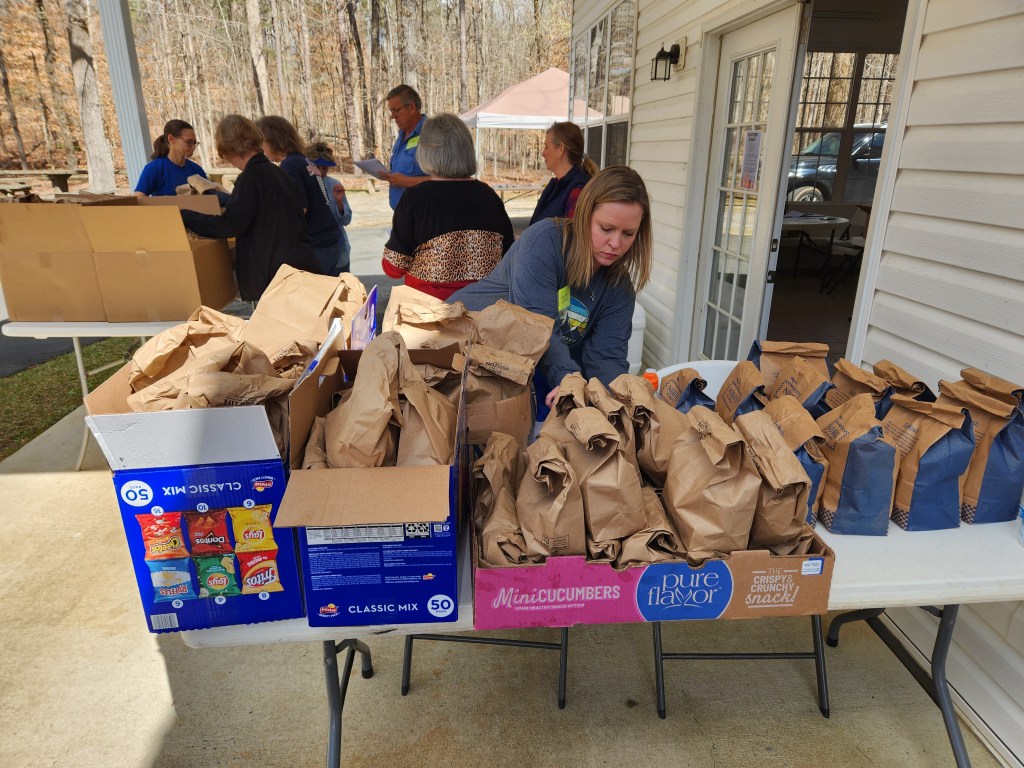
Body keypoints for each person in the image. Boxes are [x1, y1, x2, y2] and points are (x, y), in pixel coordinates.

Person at [450, 166, 652, 408]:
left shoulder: (620, 286)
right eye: (606, 229)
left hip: (531, 368)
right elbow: (539, 324)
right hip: (466, 349)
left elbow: (606, 357)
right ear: (584, 215)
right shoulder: (544, 241)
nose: (615, 243)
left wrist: (622, 398)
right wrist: (568, 379)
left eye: (628, 233)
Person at [179, 115, 320, 302]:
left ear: (228, 149)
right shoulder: (277, 172)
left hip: (277, 273)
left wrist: (186, 216)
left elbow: (230, 224)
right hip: (297, 265)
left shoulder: (252, 177)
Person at [382, 113, 514, 300]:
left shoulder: (415, 199)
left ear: (426, 151)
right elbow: (508, 256)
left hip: (429, 315)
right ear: (466, 150)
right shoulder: (489, 196)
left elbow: (393, 267)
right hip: (483, 313)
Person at [256, 115, 344, 276]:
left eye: (262, 144)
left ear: (273, 140)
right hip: (330, 240)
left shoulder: (289, 165)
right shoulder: (303, 160)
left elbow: (298, 210)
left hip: (317, 243)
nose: (262, 149)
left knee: (313, 296)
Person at [529, 121, 598, 225]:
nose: (543, 153)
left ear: (560, 148)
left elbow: (571, 237)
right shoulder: (556, 185)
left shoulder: (579, 189)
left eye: (547, 147)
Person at [305, 141, 353, 275]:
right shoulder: (303, 184)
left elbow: (346, 220)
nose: (320, 172)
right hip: (315, 248)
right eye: (317, 167)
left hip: (338, 247)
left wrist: (339, 202)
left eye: (324, 168)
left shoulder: (334, 185)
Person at [380, 84, 428, 209]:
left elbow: (446, 180)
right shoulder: (402, 134)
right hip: (402, 214)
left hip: (424, 215)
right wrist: (389, 175)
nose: (393, 116)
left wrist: (405, 181)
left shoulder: (432, 134)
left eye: (396, 110)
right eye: (391, 111)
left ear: (411, 107)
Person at [134, 119, 209, 196]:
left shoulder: (197, 170)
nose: (193, 147)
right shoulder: (154, 169)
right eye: (189, 142)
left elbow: (209, 199)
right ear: (171, 139)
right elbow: (138, 198)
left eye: (194, 143)